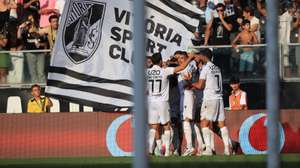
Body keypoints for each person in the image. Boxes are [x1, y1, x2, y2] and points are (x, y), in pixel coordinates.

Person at [147, 52, 194, 157]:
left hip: (151, 101)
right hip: (162, 102)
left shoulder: (147, 72)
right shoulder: (165, 71)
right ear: (160, 61)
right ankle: (167, 151)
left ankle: (150, 150)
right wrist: (190, 57)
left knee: (153, 126)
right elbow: (182, 67)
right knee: (166, 125)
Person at [191, 49, 231, 156]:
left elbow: (200, 86)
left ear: (204, 56)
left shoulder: (206, 68)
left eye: (200, 56)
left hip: (210, 98)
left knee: (204, 123)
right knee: (222, 124)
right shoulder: (216, 67)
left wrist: (190, 83)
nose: (199, 58)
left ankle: (208, 149)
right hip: (219, 98)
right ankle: (227, 149)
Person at [174, 51, 202, 156]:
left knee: (186, 120)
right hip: (191, 95)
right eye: (179, 59)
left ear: (186, 58)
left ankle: (190, 147)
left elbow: (186, 82)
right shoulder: (192, 65)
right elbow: (198, 57)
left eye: (182, 58)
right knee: (192, 122)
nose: (180, 60)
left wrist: (190, 56)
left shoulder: (184, 68)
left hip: (187, 94)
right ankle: (200, 145)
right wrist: (193, 56)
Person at [205, 3, 233, 75]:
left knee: (226, 63)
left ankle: (227, 79)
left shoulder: (229, 18)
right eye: (218, 11)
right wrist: (212, 18)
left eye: (221, 10)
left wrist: (222, 19)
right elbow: (208, 28)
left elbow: (229, 28)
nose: (219, 12)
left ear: (224, 10)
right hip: (216, 45)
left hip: (225, 45)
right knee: (217, 63)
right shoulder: (214, 20)